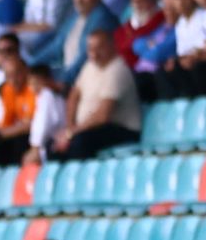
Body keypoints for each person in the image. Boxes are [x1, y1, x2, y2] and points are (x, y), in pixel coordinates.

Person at [48, 29, 142, 159]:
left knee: (79, 143)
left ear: (112, 46)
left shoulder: (117, 70)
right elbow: (74, 96)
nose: (94, 53)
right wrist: (69, 128)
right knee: (53, 146)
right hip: (89, 128)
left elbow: (103, 115)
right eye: (90, 48)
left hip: (121, 129)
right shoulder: (89, 66)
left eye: (99, 48)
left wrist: (71, 133)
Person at [27, 0, 117, 84]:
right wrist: (31, 65)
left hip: (83, 79)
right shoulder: (76, 16)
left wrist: (61, 80)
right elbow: (56, 47)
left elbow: (86, 58)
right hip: (65, 71)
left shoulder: (103, 19)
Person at [115, 0, 167, 68]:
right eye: (133, 0)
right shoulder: (129, 23)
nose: (135, 5)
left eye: (140, 0)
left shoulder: (163, 19)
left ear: (152, 0)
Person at [27, 61, 67, 158]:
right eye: (31, 84)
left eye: (37, 83)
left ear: (47, 80)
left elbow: (43, 124)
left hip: (51, 142)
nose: (34, 87)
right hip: (49, 141)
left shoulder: (46, 95)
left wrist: (35, 147)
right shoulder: (44, 97)